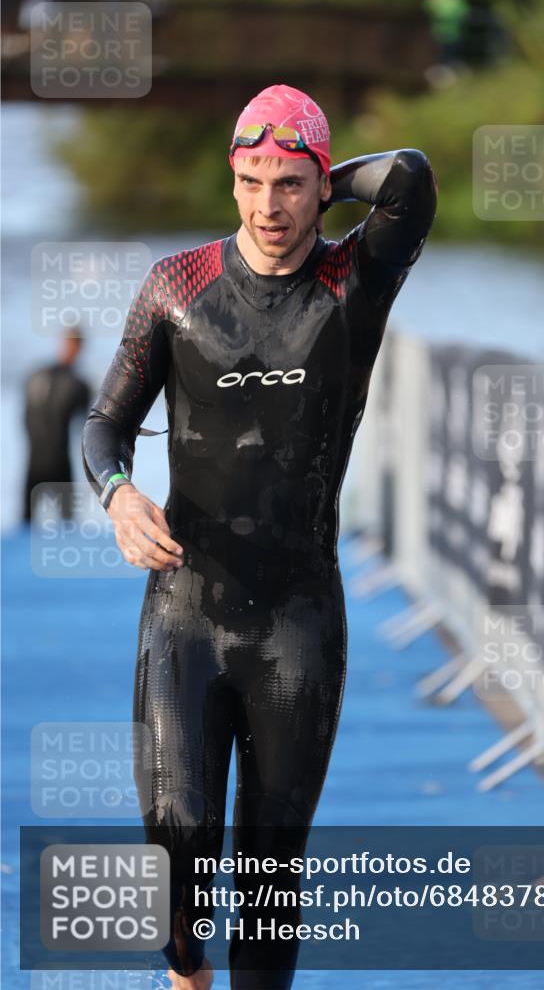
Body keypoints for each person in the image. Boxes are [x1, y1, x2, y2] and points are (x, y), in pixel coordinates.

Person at [82, 84, 437, 989]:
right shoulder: (177, 285)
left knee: (271, 876)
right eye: (250, 181)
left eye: (289, 185)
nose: (268, 206)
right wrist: (118, 497)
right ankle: (185, 969)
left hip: (296, 621)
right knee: (176, 859)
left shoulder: (353, 284)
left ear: (320, 189)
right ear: (230, 179)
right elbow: (105, 426)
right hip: (185, 613)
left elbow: (410, 178)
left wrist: (319, 169)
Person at [23, 327, 90, 523]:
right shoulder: (79, 384)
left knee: (27, 523)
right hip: (58, 462)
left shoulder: (37, 375)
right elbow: (89, 430)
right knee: (66, 523)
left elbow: (25, 419)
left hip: (35, 462)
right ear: (80, 347)